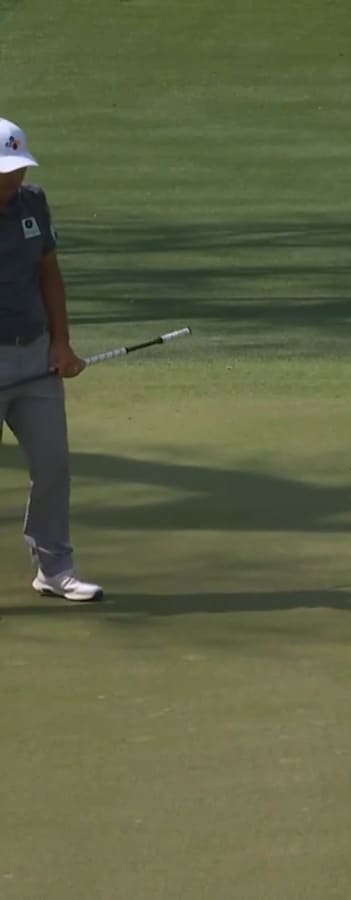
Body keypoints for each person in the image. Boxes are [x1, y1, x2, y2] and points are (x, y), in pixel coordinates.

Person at [0, 117, 102, 602]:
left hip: (36, 358)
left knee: (53, 466)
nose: (13, 179)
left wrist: (62, 342)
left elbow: (49, 273)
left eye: (17, 169)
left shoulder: (33, 202)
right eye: (5, 171)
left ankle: (55, 567)